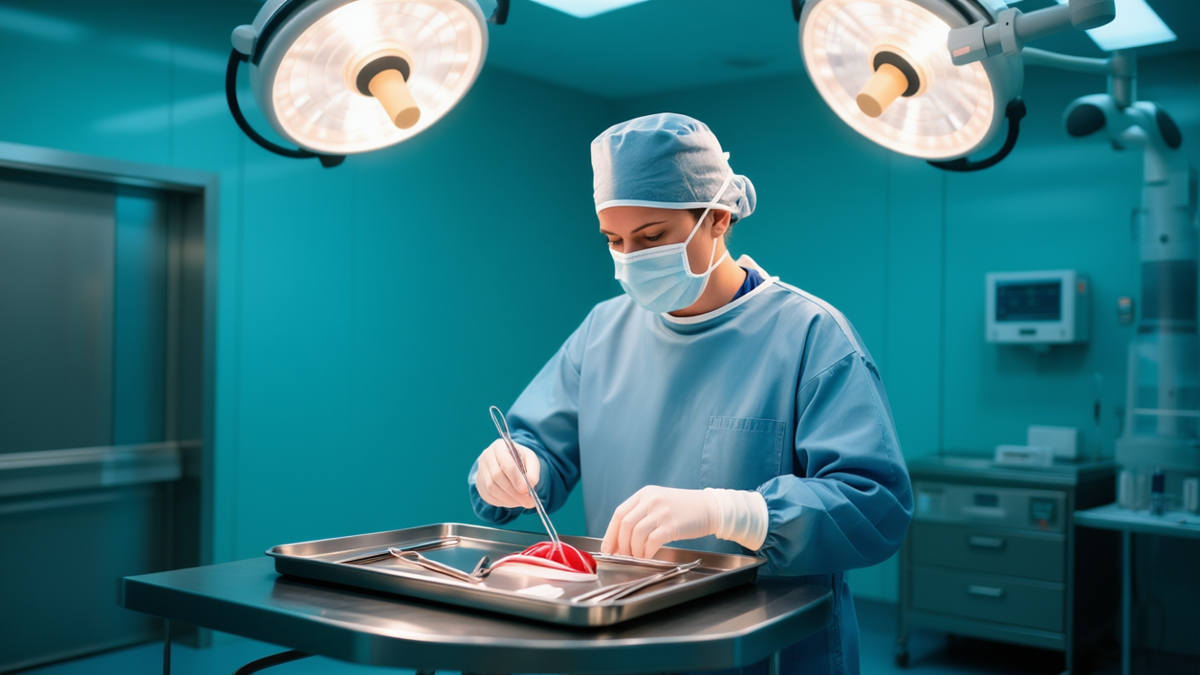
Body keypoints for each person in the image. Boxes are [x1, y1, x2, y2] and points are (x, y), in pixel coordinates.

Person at [468, 113, 912, 675]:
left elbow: (876, 507)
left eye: (651, 237)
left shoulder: (811, 335)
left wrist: (731, 510)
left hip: (766, 653)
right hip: (629, 636)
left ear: (718, 219)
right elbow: (540, 450)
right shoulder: (604, 330)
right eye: (614, 240)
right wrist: (516, 466)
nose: (630, 258)